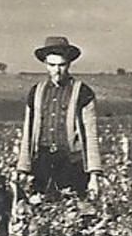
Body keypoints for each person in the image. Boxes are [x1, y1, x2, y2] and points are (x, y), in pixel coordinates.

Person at [16, 36, 103, 198]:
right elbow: (28, 132)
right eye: (52, 65)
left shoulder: (83, 92)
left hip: (71, 164)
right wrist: (23, 168)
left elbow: (91, 135)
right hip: (42, 163)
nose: (57, 70)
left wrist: (94, 175)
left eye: (61, 65)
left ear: (69, 64)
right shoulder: (36, 92)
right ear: (45, 65)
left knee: (73, 211)